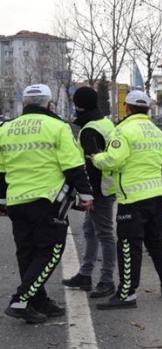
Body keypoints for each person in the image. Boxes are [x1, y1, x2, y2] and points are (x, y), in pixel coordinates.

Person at [0, 84, 93, 323]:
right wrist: (85, 194)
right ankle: (21, 300)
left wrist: (2, 200)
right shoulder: (58, 127)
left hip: (16, 201)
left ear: (24, 104)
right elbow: (73, 165)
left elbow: (0, 171)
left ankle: (38, 301)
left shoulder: (6, 129)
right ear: (49, 104)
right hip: (46, 199)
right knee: (51, 251)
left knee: (27, 253)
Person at [91, 90, 162, 310]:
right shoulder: (157, 132)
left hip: (132, 198)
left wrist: (96, 158)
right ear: (147, 109)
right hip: (156, 194)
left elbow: (113, 160)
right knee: (156, 241)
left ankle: (127, 293)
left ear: (126, 107)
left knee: (129, 245)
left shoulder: (123, 131)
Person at [62, 87, 117, 298]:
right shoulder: (104, 122)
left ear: (78, 105)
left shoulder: (89, 130)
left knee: (104, 234)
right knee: (89, 229)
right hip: (107, 184)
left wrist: (89, 195)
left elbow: (93, 164)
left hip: (99, 189)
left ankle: (106, 280)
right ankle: (85, 274)